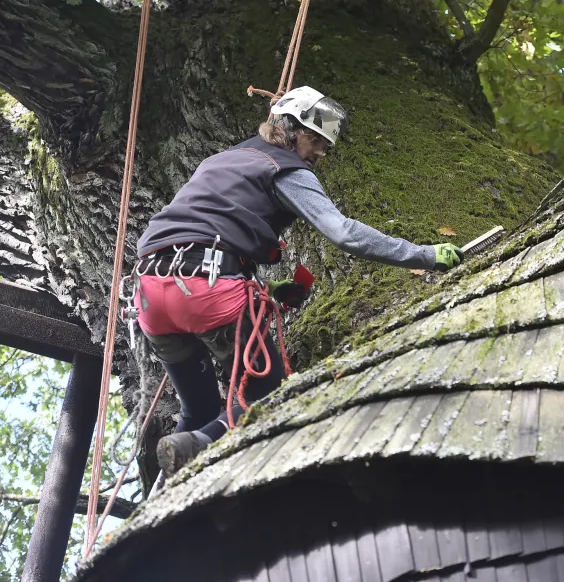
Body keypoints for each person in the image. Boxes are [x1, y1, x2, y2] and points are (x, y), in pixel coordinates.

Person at [131, 86, 464, 476]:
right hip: (208, 292)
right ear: (289, 128)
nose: (322, 152)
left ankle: (168, 485)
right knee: (270, 395)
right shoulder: (285, 169)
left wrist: (270, 291)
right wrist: (423, 254)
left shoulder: (220, 161)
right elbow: (344, 233)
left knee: (198, 408)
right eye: (316, 139)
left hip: (150, 294)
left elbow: (204, 232)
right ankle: (203, 443)